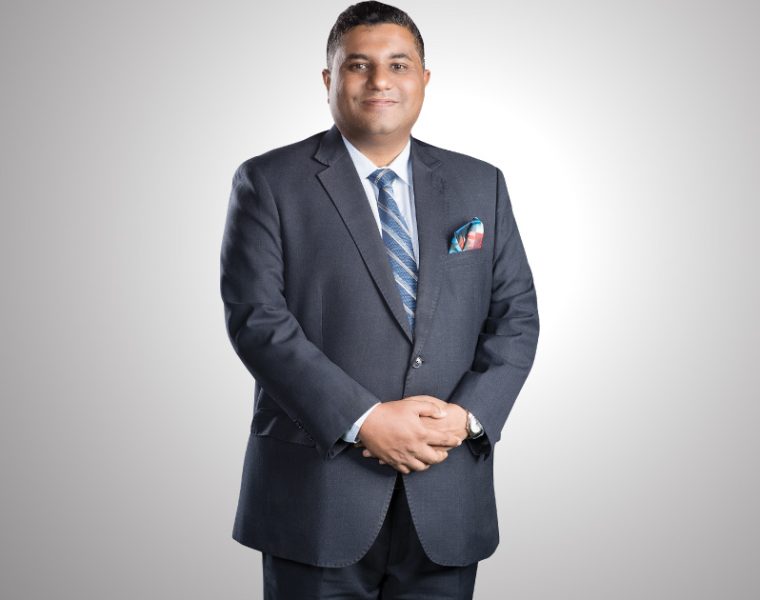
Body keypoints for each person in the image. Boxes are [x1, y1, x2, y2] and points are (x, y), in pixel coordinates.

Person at [220, 2, 539, 598]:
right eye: (358, 65)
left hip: (446, 490)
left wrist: (465, 418)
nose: (379, 81)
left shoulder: (480, 183)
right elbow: (258, 322)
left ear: (424, 78)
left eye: (398, 64)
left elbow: (515, 317)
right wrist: (364, 421)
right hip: (317, 494)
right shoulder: (269, 181)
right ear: (329, 79)